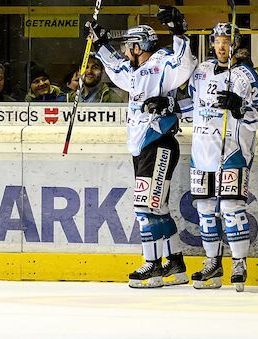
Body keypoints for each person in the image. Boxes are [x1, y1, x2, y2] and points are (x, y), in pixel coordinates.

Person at [93, 5, 196, 288]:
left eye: (128, 45)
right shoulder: (134, 71)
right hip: (142, 146)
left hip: (158, 142)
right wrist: (99, 44)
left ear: (138, 46)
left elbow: (184, 66)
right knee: (157, 208)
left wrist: (178, 32)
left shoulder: (162, 63)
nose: (125, 49)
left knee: (144, 209)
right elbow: (116, 69)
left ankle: (152, 264)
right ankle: (174, 264)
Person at [181, 23, 258, 291]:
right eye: (218, 41)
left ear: (236, 44)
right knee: (206, 211)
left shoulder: (247, 76)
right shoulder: (201, 72)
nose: (221, 46)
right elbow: (190, 105)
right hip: (201, 151)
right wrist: (170, 108)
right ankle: (212, 263)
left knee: (231, 209)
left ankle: (239, 262)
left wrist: (239, 108)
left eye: (227, 41)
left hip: (232, 151)